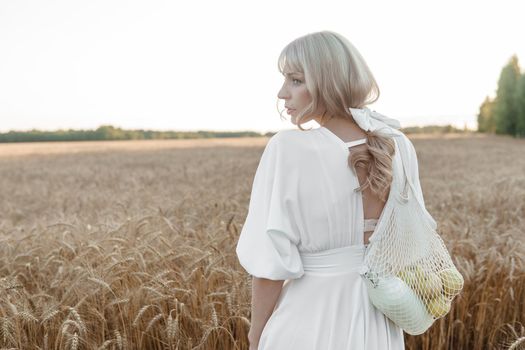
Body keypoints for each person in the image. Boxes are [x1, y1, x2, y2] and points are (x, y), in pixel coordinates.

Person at [235, 30, 426, 349]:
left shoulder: (287, 148)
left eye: (295, 80)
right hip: (378, 322)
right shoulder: (398, 145)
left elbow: (270, 267)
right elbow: (410, 243)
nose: (283, 93)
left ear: (328, 83)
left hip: (307, 320)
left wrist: (255, 338)